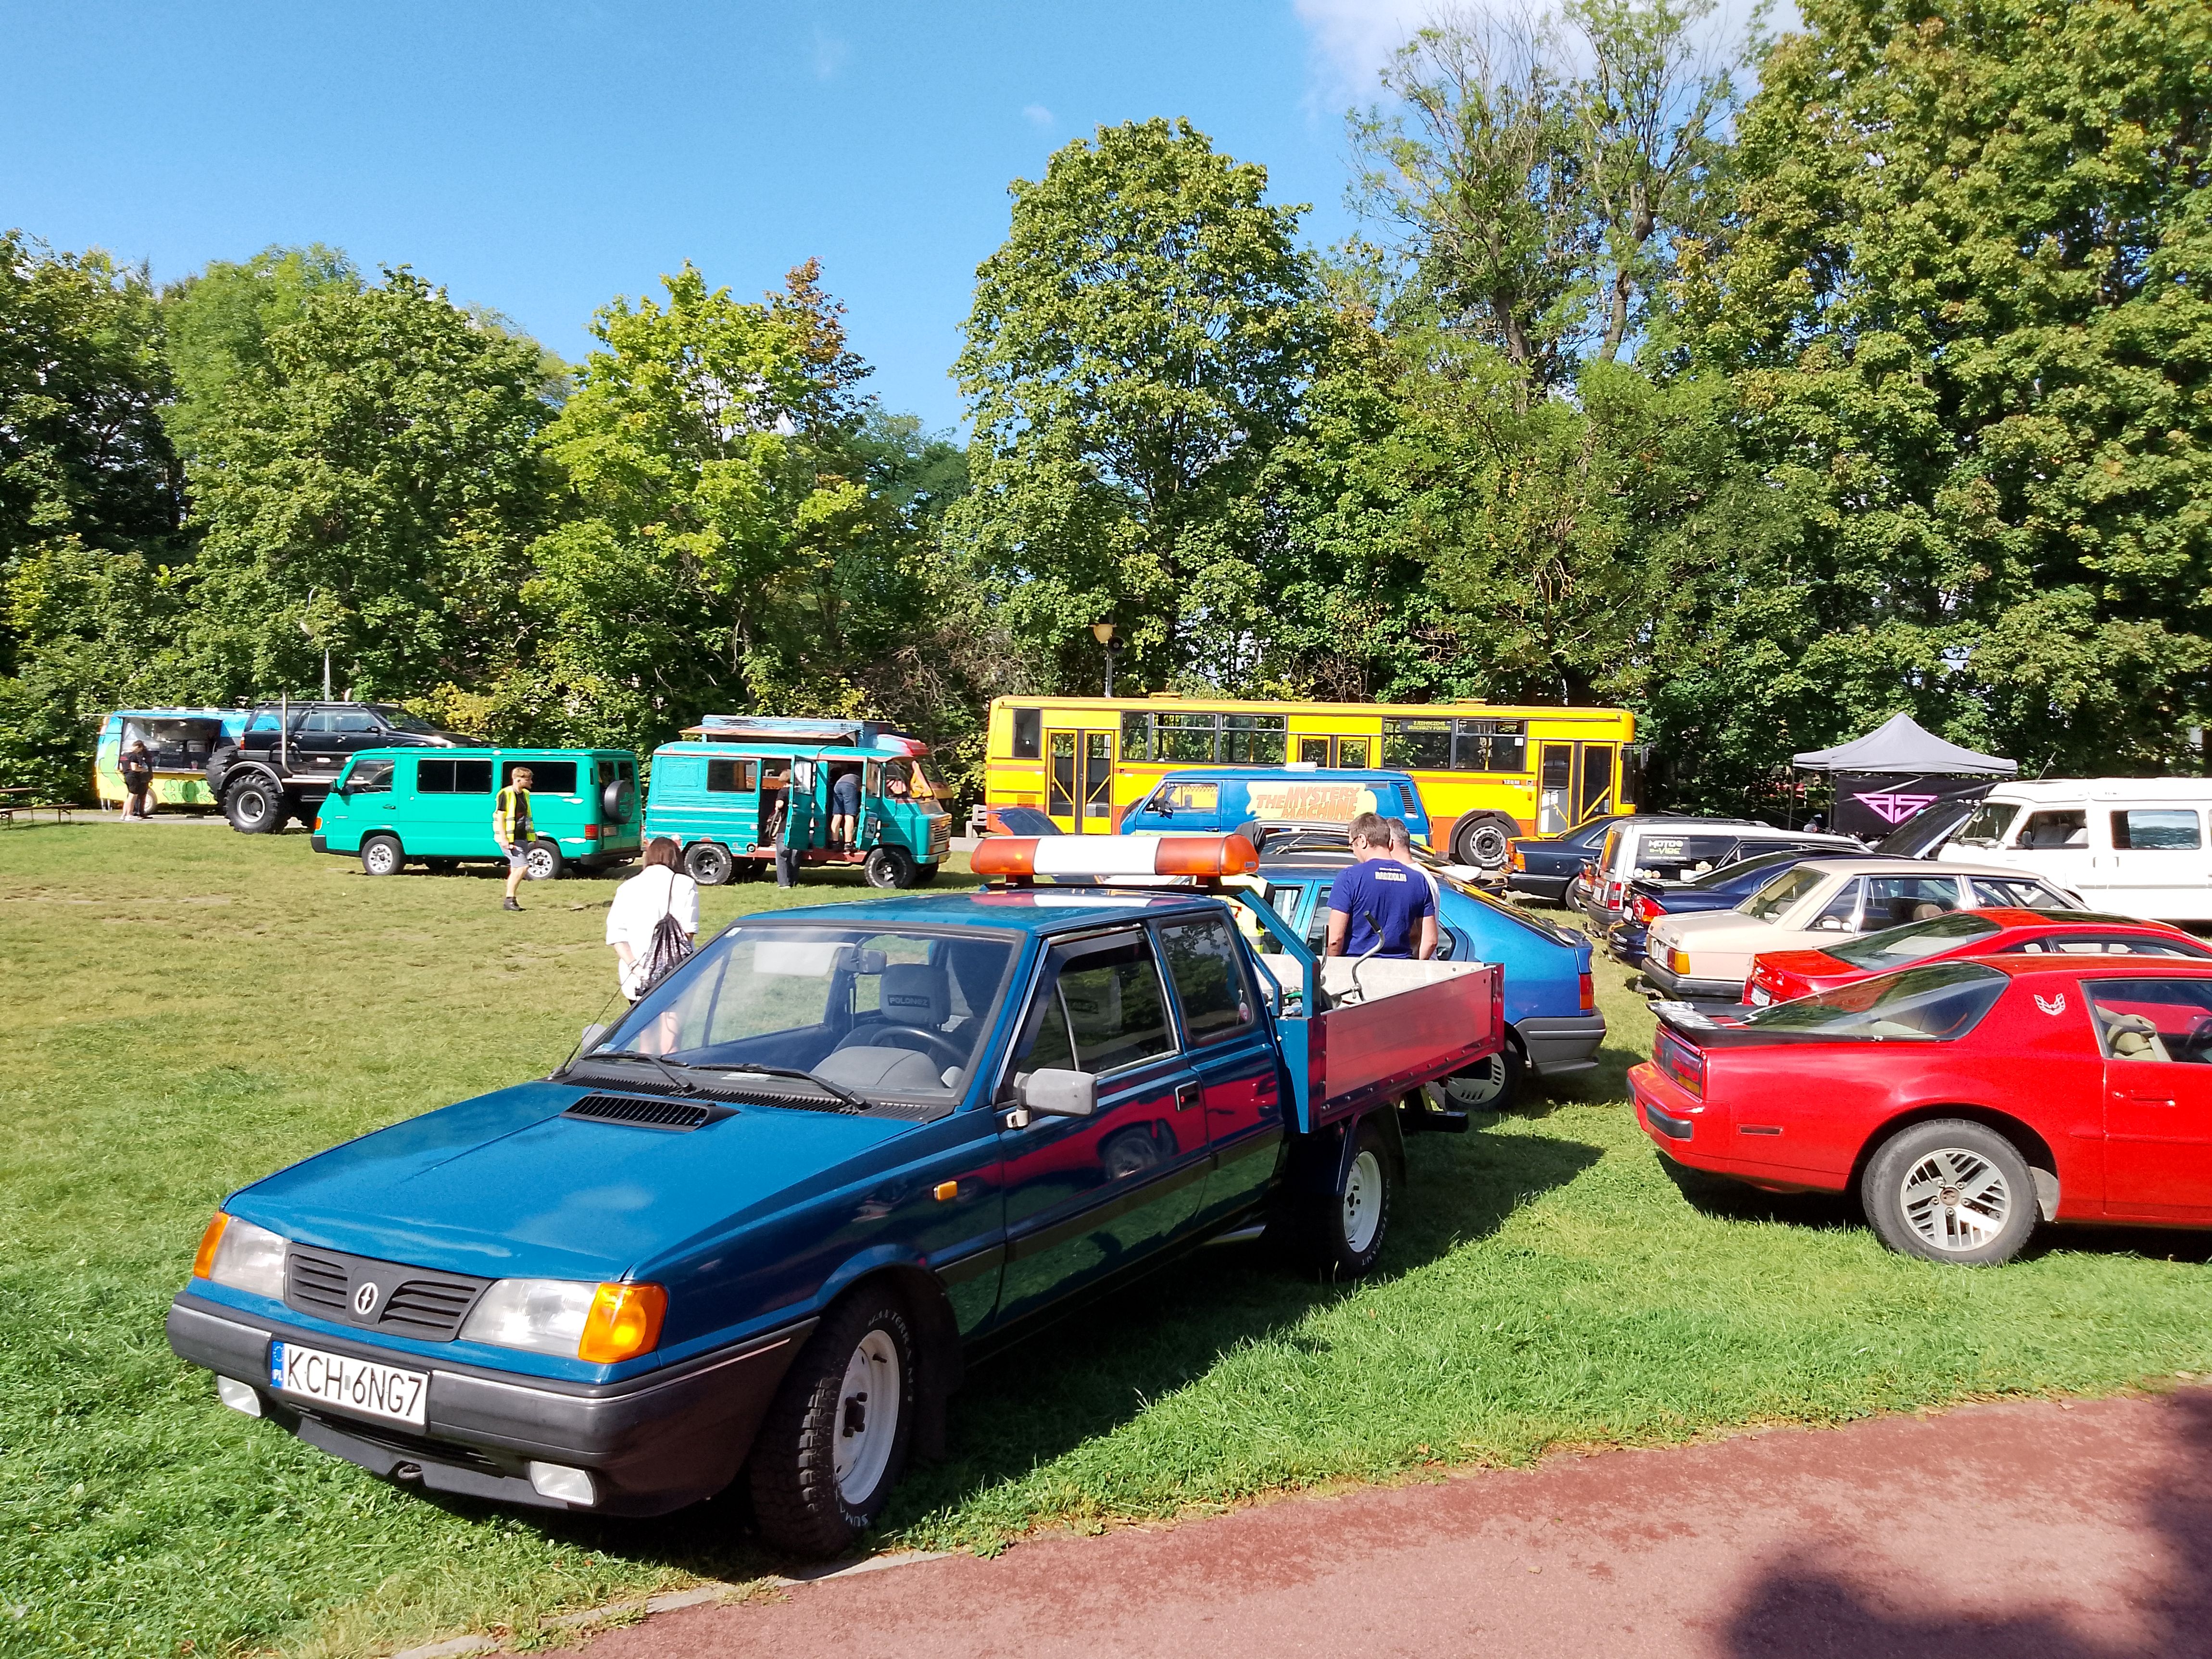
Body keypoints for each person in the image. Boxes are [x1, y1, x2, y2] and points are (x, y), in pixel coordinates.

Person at [1326, 811, 1437, 960]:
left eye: (1352, 844)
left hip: (1356, 970)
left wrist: (1333, 968)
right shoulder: (1418, 879)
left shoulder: (1349, 877)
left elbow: (1335, 940)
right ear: (1390, 843)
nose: (1353, 850)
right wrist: (1415, 968)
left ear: (1362, 840)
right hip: (1402, 972)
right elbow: (1430, 941)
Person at [606, 838, 700, 1003]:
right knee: (673, 1026)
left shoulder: (626, 888)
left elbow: (616, 937)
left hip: (636, 978)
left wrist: (635, 967)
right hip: (675, 974)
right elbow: (688, 932)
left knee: (641, 1025)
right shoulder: (686, 884)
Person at [494, 766, 535, 911]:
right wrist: (505, 839)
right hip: (510, 839)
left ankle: (510, 901)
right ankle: (509, 899)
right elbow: (500, 817)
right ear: (518, 780)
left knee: (516, 868)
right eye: (528, 779)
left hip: (522, 837)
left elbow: (527, 817)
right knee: (523, 867)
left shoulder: (525, 794)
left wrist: (532, 836)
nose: (531, 782)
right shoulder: (505, 794)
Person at [761, 764, 801, 888]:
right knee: (795, 855)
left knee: (782, 854)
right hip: (799, 827)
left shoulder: (783, 791)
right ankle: (793, 881)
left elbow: (779, 805)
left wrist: (778, 804)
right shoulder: (800, 792)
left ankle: (784, 883)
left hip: (784, 827)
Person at [118, 740, 155, 821]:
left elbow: (121, 768)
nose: (140, 752)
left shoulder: (124, 755)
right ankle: (129, 815)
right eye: (140, 750)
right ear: (138, 747)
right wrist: (144, 769)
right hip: (133, 777)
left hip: (126, 776)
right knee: (133, 797)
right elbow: (135, 768)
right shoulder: (133, 755)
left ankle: (124, 815)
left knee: (129, 797)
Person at [830, 764, 862, 853]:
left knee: (837, 815)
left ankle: (835, 842)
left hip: (838, 785)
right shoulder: (861, 774)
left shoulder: (846, 775)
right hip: (849, 786)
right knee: (850, 815)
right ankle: (848, 843)